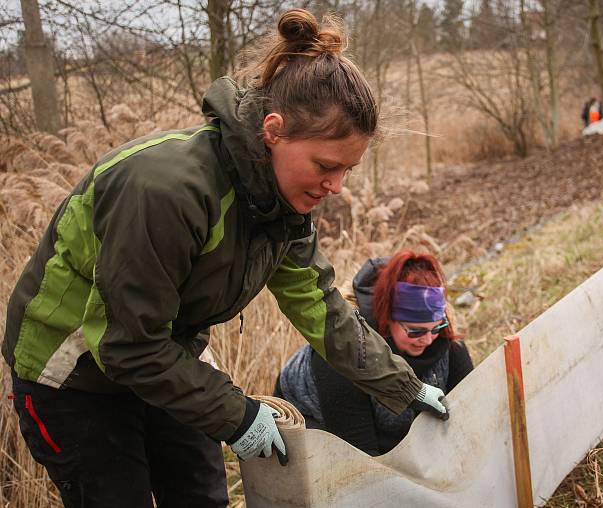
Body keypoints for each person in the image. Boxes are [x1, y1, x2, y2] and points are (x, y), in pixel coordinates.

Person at [3, 10, 448, 508]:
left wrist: (403, 387)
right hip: (74, 373)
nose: (336, 187)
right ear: (274, 130)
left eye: (347, 169)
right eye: (326, 166)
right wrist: (238, 416)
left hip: (167, 357)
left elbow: (320, 304)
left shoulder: (282, 203)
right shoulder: (168, 192)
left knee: (202, 496)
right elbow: (127, 346)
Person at [276, 251, 474, 456]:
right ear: (387, 319)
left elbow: (470, 420)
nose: (428, 339)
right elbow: (361, 456)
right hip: (313, 427)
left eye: (436, 327)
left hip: (390, 438)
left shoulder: (447, 342)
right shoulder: (344, 358)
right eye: (415, 330)